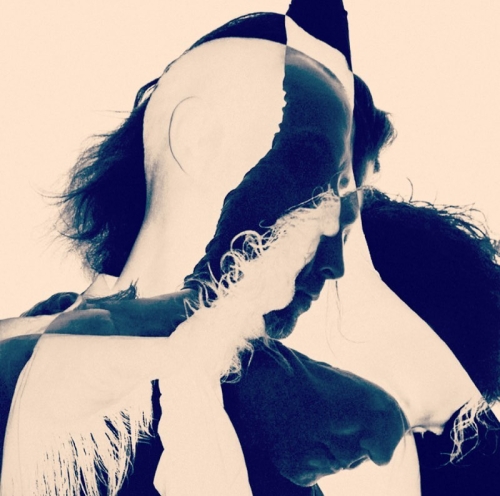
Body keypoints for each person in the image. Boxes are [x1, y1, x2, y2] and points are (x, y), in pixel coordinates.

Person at [0, 2, 408, 495]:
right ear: (196, 140)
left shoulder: (276, 444)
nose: (333, 263)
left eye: (343, 222)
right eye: (307, 177)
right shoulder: (33, 359)